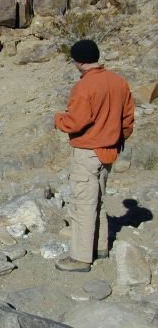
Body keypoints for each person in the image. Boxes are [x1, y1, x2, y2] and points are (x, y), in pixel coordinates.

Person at [54, 40, 134, 272]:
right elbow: (127, 119)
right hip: (109, 151)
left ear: (79, 61)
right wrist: (116, 138)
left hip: (87, 152)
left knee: (83, 204)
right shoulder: (118, 81)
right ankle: (99, 247)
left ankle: (80, 257)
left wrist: (58, 119)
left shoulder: (84, 86)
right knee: (98, 199)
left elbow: (76, 121)